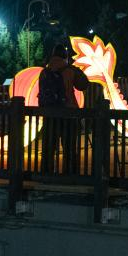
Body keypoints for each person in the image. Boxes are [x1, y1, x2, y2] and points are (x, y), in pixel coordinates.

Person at [38, 44, 90, 174]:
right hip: (68, 113)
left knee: (49, 147)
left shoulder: (45, 72)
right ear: (65, 56)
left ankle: (46, 174)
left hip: (50, 114)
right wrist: (75, 69)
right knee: (69, 147)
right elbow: (84, 85)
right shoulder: (69, 70)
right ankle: (70, 174)